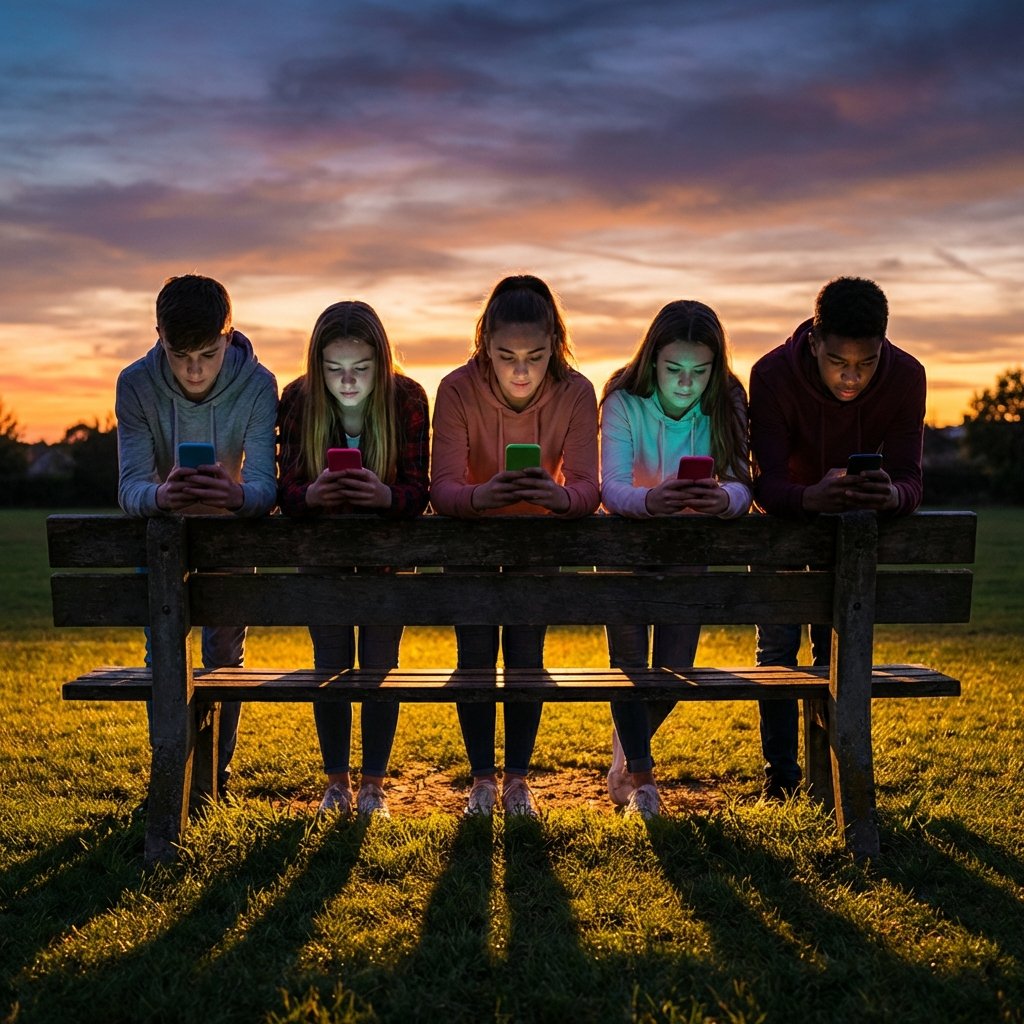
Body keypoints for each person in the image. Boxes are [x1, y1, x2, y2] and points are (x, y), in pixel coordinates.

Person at [748, 276, 926, 800]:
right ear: (813, 342)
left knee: (837, 654)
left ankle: (830, 781)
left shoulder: (907, 376)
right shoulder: (773, 374)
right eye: (838, 363)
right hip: (784, 533)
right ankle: (780, 779)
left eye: (866, 364)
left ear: (883, 345)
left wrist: (889, 495)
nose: (852, 378)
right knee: (776, 651)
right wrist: (809, 497)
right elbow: (767, 483)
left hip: (848, 541)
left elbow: (911, 476)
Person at [430, 274, 599, 817]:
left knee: (527, 659)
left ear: (556, 345)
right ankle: (482, 779)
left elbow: (588, 488)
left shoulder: (575, 391)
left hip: (536, 544)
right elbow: (443, 488)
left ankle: (519, 780)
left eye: (536, 355)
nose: (522, 371)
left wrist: (556, 496)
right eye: (506, 356)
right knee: (475, 658)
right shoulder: (457, 389)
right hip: (471, 547)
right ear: (485, 347)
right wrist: (482, 496)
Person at [116, 273, 278, 795]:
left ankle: (212, 776)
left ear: (229, 335)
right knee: (162, 650)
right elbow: (130, 486)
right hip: (165, 542)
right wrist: (161, 497)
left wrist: (235, 497)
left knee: (225, 656)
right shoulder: (136, 384)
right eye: (178, 353)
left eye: (206, 354)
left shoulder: (257, 384)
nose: (192, 369)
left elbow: (263, 489)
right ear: (157, 334)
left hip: (228, 539)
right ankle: (173, 774)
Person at [600, 300, 752, 819]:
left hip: (690, 548)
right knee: (628, 668)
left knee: (675, 669)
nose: (686, 383)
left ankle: (624, 755)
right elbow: (612, 487)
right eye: (674, 369)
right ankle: (642, 781)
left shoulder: (729, 400)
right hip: (626, 549)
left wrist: (724, 500)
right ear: (652, 360)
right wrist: (650, 500)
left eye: (699, 371)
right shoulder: (622, 398)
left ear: (715, 368)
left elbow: (739, 480)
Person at [277, 300, 429, 818]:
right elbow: (288, 490)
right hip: (323, 561)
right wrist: (313, 494)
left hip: (387, 562)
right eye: (335, 369)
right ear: (317, 366)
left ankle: (374, 787)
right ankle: (336, 783)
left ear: (381, 364)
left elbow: (416, 491)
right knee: (331, 666)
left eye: (361, 369)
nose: (347, 382)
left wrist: (384, 497)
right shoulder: (298, 400)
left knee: (382, 668)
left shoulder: (407, 399)